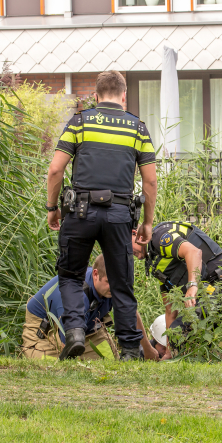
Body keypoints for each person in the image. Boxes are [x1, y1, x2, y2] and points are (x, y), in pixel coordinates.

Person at [46, 70, 158, 362]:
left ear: (95, 96)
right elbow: (150, 182)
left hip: (80, 212)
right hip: (119, 215)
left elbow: (55, 170)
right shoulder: (138, 128)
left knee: (70, 276)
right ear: (124, 96)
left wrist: (52, 208)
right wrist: (147, 222)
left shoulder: (80, 122)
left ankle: (74, 333)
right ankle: (131, 352)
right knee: (121, 282)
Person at [21, 255, 159, 361]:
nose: (114, 287)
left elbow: (131, 314)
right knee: (53, 369)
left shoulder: (116, 286)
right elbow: (67, 345)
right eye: (108, 282)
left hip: (89, 326)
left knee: (110, 364)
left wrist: (148, 350)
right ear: (95, 274)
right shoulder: (76, 297)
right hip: (48, 330)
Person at [132, 222, 222, 359]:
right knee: (177, 333)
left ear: (135, 233)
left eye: (133, 251)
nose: (137, 257)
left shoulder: (159, 236)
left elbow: (193, 252)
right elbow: (170, 310)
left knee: (181, 331)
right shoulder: (154, 258)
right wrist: (169, 351)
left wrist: (192, 285)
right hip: (208, 290)